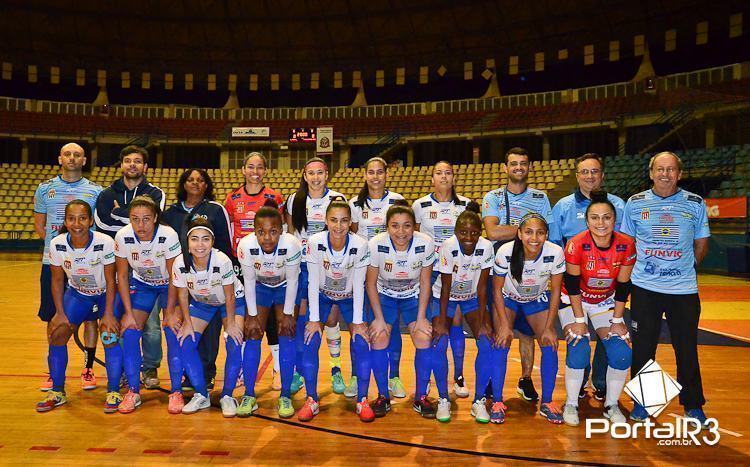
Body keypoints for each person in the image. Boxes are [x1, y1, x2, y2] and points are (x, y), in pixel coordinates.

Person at [621, 151, 711, 427]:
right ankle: (643, 403)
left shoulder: (695, 203)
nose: (665, 174)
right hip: (645, 289)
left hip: (683, 290)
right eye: (660, 169)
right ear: (651, 173)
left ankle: (693, 405)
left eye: (671, 169)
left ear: (679, 174)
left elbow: (701, 243)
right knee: (644, 349)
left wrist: (684, 268)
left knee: (686, 349)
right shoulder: (635, 204)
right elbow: (627, 242)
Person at [550, 153, 626, 402]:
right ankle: (578, 386)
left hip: (607, 290)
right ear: (577, 175)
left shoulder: (618, 206)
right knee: (579, 344)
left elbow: (624, 246)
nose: (590, 176)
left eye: (594, 171)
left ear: (602, 175)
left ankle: (602, 383)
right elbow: (554, 247)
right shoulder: (562, 206)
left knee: (611, 341)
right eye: (584, 171)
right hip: (574, 288)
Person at [482, 147, 553, 402]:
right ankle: (492, 378)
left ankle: (525, 379)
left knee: (527, 333)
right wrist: (527, 230)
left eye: (523, 163)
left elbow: (546, 233)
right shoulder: (492, 197)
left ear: (529, 167)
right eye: (513, 163)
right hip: (501, 272)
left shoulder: (540, 197)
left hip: (532, 273)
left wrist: (514, 231)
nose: (518, 168)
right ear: (505, 168)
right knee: (500, 327)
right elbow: (492, 233)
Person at [559, 190, 635, 427]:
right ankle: (571, 403)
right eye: (595, 217)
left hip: (605, 302)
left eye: (606, 217)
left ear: (614, 219)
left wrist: (617, 320)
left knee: (622, 351)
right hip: (574, 301)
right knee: (579, 348)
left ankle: (611, 405)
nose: (601, 223)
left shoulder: (626, 244)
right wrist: (579, 320)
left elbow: (623, 285)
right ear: (587, 220)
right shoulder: (576, 244)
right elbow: (571, 284)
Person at [95, 145, 165, 389]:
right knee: (120, 319)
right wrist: (129, 219)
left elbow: (154, 220)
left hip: (148, 267)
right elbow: (103, 221)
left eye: (138, 161)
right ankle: (125, 368)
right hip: (115, 266)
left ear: (145, 167)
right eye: (127, 160)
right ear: (121, 164)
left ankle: (150, 368)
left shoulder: (156, 192)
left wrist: (119, 213)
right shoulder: (106, 193)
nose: (132, 165)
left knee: (152, 324)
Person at [34, 142, 102, 392]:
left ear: (84, 161)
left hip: (88, 266)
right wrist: (60, 250)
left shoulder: (95, 191)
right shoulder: (45, 189)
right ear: (59, 158)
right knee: (53, 318)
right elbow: (40, 226)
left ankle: (88, 369)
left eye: (77, 155)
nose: (72, 158)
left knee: (91, 319)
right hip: (54, 264)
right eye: (67, 154)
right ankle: (54, 373)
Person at [36, 200, 116, 412]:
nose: (77, 223)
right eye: (71, 218)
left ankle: (114, 391)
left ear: (90, 220)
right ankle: (58, 390)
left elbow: (111, 280)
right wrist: (60, 313)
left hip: (105, 294)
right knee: (58, 334)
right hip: (78, 294)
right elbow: (57, 281)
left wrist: (108, 313)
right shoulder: (57, 243)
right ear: (65, 221)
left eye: (82, 218)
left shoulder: (105, 242)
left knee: (109, 335)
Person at [301, 200, 373, 422]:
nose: (338, 226)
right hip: (322, 294)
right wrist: (313, 320)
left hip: (351, 297)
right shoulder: (315, 242)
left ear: (350, 222)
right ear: (325, 221)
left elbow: (360, 284)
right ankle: (311, 399)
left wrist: (359, 322)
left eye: (343, 221)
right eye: (333, 220)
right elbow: (312, 281)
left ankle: (362, 399)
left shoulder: (360, 244)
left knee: (362, 342)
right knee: (310, 340)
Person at [163, 168, 232, 391]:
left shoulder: (215, 209)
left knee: (209, 329)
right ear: (183, 184)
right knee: (182, 324)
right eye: (190, 180)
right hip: (181, 278)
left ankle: (206, 372)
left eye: (200, 180)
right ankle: (185, 372)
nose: (195, 183)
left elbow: (225, 244)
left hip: (209, 278)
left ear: (206, 185)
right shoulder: (171, 213)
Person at [367, 201, 437, 419]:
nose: (401, 231)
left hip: (412, 296)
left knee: (424, 337)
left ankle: (421, 397)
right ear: (387, 227)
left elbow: (426, 282)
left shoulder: (425, 243)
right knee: (379, 337)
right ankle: (382, 396)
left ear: (414, 227)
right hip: (384, 295)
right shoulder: (376, 244)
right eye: (395, 225)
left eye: (407, 226)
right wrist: (378, 318)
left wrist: (421, 318)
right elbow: (370, 283)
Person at [492, 213, 565, 424]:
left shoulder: (555, 252)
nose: (534, 238)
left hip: (536, 299)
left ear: (546, 235)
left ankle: (547, 401)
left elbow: (556, 291)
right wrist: (505, 326)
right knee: (501, 342)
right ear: (519, 234)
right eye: (529, 232)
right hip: (508, 298)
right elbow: (496, 290)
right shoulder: (505, 252)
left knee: (550, 343)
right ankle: (497, 400)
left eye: (540, 233)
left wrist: (550, 327)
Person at [113, 196, 183, 414]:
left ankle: (177, 391)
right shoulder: (123, 236)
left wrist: (170, 311)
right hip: (142, 285)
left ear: (155, 218)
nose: (140, 225)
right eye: (135, 219)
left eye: (145, 219)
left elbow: (174, 276)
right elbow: (122, 276)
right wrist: (128, 313)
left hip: (168, 285)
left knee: (172, 330)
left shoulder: (168, 235)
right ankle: (133, 391)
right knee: (131, 331)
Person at [170, 218, 245, 416]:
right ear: (188, 242)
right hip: (203, 303)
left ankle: (228, 396)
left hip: (231, 302)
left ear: (212, 241)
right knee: (186, 342)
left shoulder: (222, 261)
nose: (200, 245)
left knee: (234, 342)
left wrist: (230, 324)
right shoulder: (180, 263)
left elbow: (229, 295)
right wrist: (187, 322)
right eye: (194, 239)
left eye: (205, 239)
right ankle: (201, 395)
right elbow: (183, 294)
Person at [431, 202, 499, 423]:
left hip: (471, 297)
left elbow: (481, 289)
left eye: (474, 233)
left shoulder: (487, 247)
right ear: (455, 232)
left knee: (487, 342)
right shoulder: (448, 247)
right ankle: (443, 398)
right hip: (445, 297)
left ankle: (479, 401)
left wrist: (483, 322)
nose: (468, 237)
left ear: (480, 233)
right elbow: (446, 288)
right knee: (439, 341)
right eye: (463, 232)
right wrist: (441, 321)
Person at [224, 153, 285, 391]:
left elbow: (281, 229)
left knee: (271, 317)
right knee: (245, 316)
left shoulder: (274, 197)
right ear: (243, 170)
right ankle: (239, 368)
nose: (255, 171)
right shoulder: (232, 198)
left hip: (269, 263)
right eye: (251, 167)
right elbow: (230, 230)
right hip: (242, 264)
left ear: (266, 170)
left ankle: (278, 369)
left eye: (260, 167)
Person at [286, 157, 347, 395]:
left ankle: (336, 369)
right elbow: (291, 234)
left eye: (319, 173)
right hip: (302, 267)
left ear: (326, 175)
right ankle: (300, 372)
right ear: (304, 175)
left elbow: (344, 232)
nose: (315, 177)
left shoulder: (337, 199)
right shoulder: (295, 200)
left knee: (331, 319)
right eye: (310, 173)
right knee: (304, 321)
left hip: (329, 267)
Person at [412, 161, 472, 400]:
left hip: (456, 273)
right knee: (431, 328)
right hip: (429, 272)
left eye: (448, 172)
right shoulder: (420, 205)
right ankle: (427, 379)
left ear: (454, 177)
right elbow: (413, 238)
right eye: (439, 172)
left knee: (455, 323)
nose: (444, 176)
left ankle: (458, 376)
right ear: (432, 178)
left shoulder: (465, 205)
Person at [237, 201, 301, 419]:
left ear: (281, 230)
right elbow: (248, 280)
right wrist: (252, 316)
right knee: (252, 333)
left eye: (273, 232)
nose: (267, 238)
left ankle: (285, 394)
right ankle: (249, 394)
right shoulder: (245, 246)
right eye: (261, 232)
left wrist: (288, 314)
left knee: (287, 332)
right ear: (254, 231)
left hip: (285, 287)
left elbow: (293, 281)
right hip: (260, 287)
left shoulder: (291, 244)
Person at [347, 156, 404, 398]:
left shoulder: (397, 201)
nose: (376, 176)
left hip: (390, 272)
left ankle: (395, 377)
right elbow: (350, 238)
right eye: (371, 172)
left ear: (386, 174)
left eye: (380, 172)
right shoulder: (354, 204)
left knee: (391, 325)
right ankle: (354, 376)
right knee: (358, 323)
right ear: (365, 175)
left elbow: (406, 234)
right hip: (362, 271)